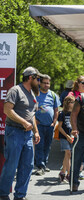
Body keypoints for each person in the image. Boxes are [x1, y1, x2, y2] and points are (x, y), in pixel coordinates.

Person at [0, 67, 41, 200]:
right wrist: (23, 122)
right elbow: (7, 110)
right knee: (12, 164)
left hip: (28, 135)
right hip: (14, 132)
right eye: (38, 78)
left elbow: (32, 114)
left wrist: (36, 132)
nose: (39, 81)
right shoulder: (15, 90)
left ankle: (20, 195)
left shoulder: (32, 94)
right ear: (30, 77)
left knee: (28, 165)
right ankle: (3, 193)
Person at [34, 74, 61, 175]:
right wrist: (34, 120)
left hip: (50, 125)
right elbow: (31, 108)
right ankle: (40, 166)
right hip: (39, 125)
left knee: (47, 145)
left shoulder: (53, 95)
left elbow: (56, 110)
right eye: (44, 83)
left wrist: (54, 122)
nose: (46, 85)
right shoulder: (35, 94)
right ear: (40, 83)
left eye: (48, 83)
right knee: (39, 145)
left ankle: (44, 164)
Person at [68, 75, 84, 180]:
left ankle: (80, 171)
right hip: (75, 126)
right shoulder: (72, 94)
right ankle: (71, 170)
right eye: (83, 83)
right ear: (78, 84)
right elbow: (70, 109)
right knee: (74, 149)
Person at [58, 95, 75, 183]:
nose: (74, 104)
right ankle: (69, 174)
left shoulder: (74, 113)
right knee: (68, 153)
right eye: (72, 102)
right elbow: (59, 127)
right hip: (64, 137)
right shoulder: (62, 114)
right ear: (68, 103)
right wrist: (67, 136)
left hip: (72, 136)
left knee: (67, 155)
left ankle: (62, 172)